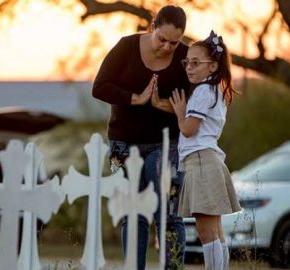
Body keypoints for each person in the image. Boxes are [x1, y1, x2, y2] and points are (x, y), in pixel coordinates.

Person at [92, 5, 189, 270]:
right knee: (132, 212)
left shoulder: (185, 56)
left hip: (166, 143)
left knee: (169, 212)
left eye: (174, 42)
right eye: (162, 39)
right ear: (152, 27)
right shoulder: (126, 46)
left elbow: (193, 102)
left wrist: (164, 105)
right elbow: (99, 87)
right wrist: (136, 98)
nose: (168, 47)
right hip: (122, 143)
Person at [169, 31, 242, 270]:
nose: (189, 67)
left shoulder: (202, 91)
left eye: (196, 63)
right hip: (208, 160)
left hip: (200, 161)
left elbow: (189, 129)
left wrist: (181, 112)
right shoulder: (215, 90)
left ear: (212, 66)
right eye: (187, 62)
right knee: (216, 229)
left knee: (206, 230)